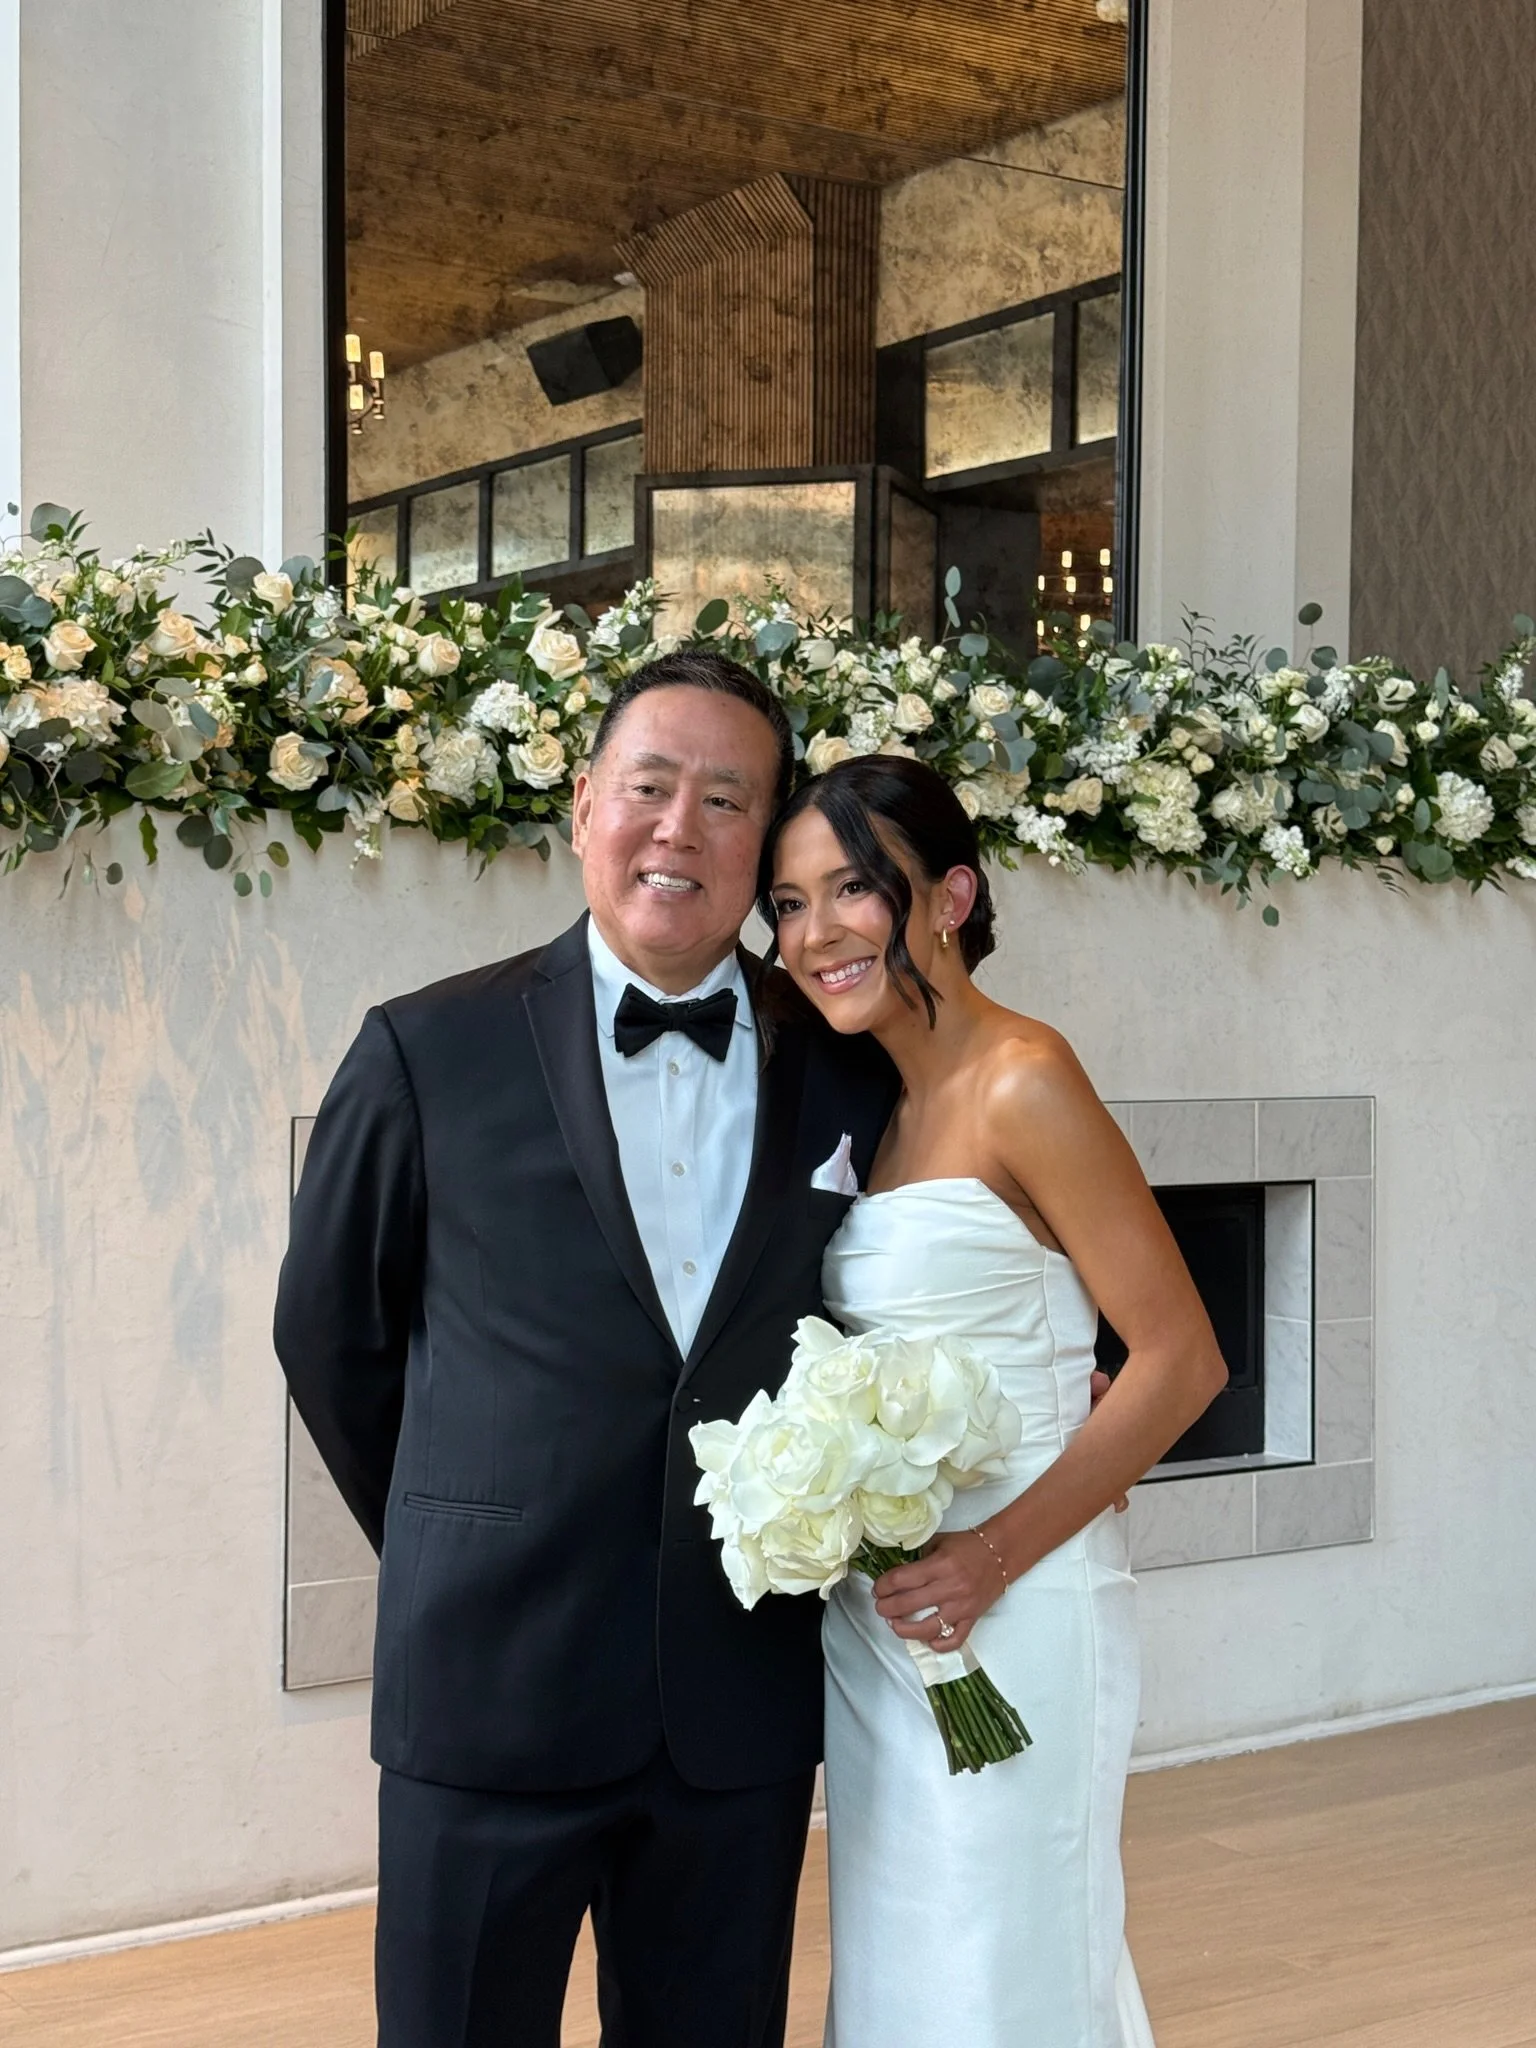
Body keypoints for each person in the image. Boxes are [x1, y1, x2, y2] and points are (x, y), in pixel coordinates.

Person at [273, 650, 897, 2048]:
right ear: (581, 810)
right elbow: (329, 1334)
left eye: (727, 801)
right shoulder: (424, 1049)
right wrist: (469, 1523)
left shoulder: (849, 1068)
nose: (680, 828)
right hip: (491, 1682)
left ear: (769, 842)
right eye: (650, 787)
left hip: (733, 1704)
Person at [762, 753, 1228, 2048]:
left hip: (1015, 1608)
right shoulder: (871, 1099)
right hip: (884, 1632)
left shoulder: (1027, 1077)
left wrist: (984, 1557)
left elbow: (1183, 1357)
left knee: (1005, 1973)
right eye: (789, 905)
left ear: (951, 894)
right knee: (910, 1979)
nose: (815, 933)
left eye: (856, 888)